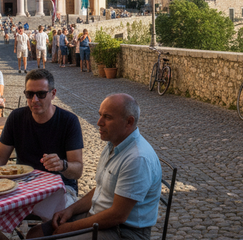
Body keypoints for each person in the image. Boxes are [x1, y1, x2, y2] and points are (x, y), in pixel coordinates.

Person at [27, 94, 161, 240]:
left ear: (129, 122)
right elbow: (101, 188)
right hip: (98, 216)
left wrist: (70, 227)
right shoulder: (113, 144)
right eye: (100, 115)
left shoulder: (137, 158)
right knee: (34, 234)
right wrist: (69, 210)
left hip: (124, 231)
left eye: (107, 117)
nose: (99, 122)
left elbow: (118, 216)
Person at [0, 69, 84, 240]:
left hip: (59, 190)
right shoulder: (17, 117)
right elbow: (0, 158)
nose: (34, 100)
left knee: (35, 236)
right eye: (29, 94)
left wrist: (63, 165)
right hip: (23, 189)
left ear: (53, 94)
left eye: (41, 94)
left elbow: (77, 170)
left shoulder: (68, 121)